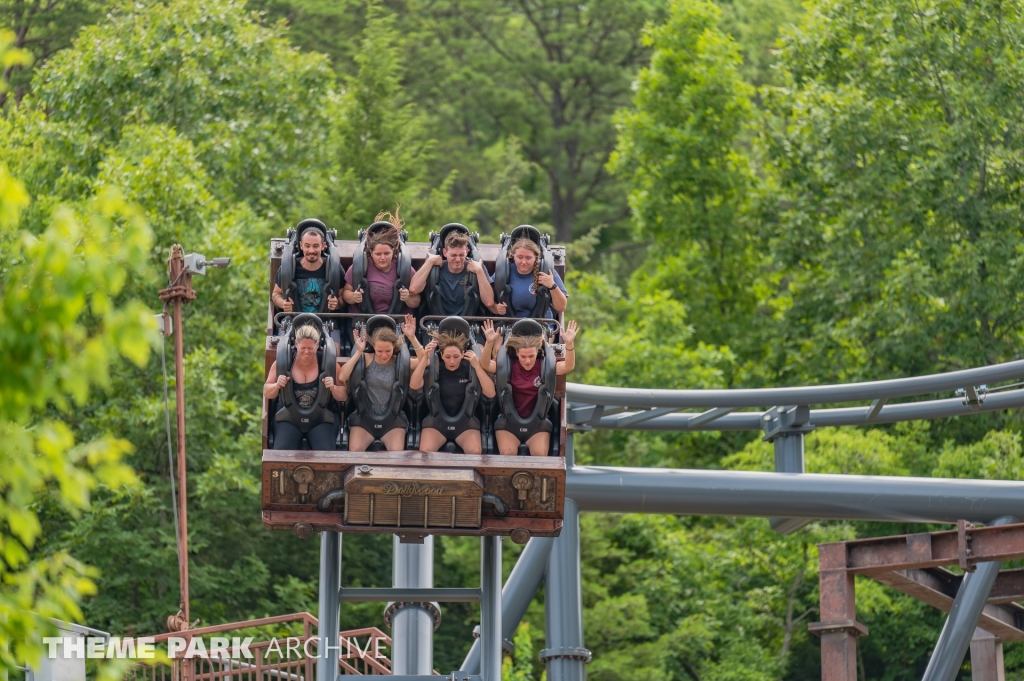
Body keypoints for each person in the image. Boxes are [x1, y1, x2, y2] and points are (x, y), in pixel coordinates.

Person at [483, 320, 578, 456]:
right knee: (508, 454)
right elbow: (486, 365)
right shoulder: (509, 365)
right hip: (508, 422)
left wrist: (569, 344)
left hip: (537, 423)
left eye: (531, 356)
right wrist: (489, 342)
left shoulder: (544, 366)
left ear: (537, 352)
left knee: (539, 455)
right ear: (516, 353)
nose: (527, 360)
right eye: (523, 356)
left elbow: (568, 366)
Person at [410, 319, 499, 454]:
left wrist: (477, 366)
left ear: (463, 354)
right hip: (436, 423)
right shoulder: (435, 369)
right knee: (425, 452)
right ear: (441, 355)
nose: (452, 361)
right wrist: (424, 359)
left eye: (456, 356)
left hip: (465, 423)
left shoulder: (470, 367)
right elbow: (414, 385)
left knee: (474, 451)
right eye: (448, 356)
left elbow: (490, 393)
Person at [339, 314, 426, 451]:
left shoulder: (400, 362)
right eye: (380, 351)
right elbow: (343, 376)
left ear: (394, 347)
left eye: (388, 351)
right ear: (373, 346)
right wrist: (358, 352)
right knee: (355, 451)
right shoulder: (366, 358)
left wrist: (412, 337)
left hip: (392, 420)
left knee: (396, 455)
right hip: (364, 419)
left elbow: (424, 361)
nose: (384, 355)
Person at [264, 323, 346, 450]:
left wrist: (334, 388)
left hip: (321, 417)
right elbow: (267, 392)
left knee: (326, 454)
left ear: (318, 344)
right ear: (296, 344)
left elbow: (344, 396)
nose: (306, 352)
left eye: (310, 348)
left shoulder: (330, 365)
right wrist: (277, 385)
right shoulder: (282, 363)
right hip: (289, 416)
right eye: (303, 348)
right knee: (281, 452)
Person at [408, 229, 496, 316]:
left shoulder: (477, 267)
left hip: (468, 322)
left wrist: (479, 271)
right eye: (453, 255)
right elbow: (413, 289)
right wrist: (429, 262)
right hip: (437, 321)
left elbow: (489, 302)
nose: (458, 259)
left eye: (461, 255)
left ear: (467, 251)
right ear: (445, 252)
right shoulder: (433, 268)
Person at [342, 216, 420, 313]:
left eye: (387, 253)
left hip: (395, 322)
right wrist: (354, 296)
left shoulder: (405, 269)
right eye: (378, 254)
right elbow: (346, 292)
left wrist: (407, 297)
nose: (382, 258)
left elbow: (416, 301)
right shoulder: (359, 267)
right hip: (364, 321)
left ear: (393, 251)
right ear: (371, 252)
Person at [272, 224, 340, 313]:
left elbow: (343, 295)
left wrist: (337, 303)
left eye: (315, 246)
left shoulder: (333, 268)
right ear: (301, 245)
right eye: (307, 246)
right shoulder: (289, 267)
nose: (311, 251)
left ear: (323, 246)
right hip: (294, 320)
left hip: (325, 321)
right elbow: (276, 293)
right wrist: (283, 303)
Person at [493, 239, 567, 318]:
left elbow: (561, 307)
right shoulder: (504, 271)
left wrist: (552, 285)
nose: (524, 262)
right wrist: (496, 307)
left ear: (536, 257)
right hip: (511, 325)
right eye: (520, 257)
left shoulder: (546, 270)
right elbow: (488, 300)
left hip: (543, 325)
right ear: (513, 255)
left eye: (528, 258)